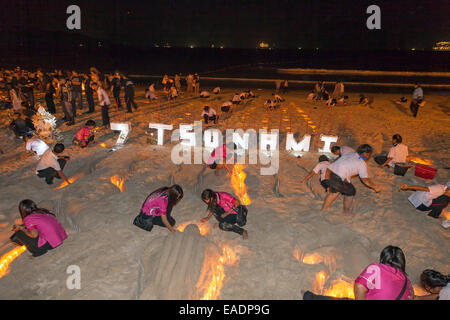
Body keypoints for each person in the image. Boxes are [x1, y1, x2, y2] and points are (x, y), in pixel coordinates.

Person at [322, 144, 381, 213]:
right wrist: (375, 187)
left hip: (330, 172)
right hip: (337, 176)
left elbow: (345, 165)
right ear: (365, 153)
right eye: (369, 154)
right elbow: (365, 180)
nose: (369, 156)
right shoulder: (362, 164)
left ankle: (324, 209)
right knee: (348, 192)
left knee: (339, 191)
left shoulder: (350, 153)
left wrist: (347, 180)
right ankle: (346, 212)